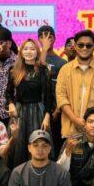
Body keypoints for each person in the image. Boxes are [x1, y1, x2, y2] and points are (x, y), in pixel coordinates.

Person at [56, 30, 94, 139]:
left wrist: (91, 122)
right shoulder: (65, 69)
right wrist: (75, 119)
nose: (84, 48)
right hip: (71, 129)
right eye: (81, 45)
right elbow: (61, 97)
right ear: (75, 46)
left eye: (88, 45)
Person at [6, 38, 54, 167]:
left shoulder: (43, 70)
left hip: (38, 111)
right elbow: (8, 92)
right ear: (21, 52)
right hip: (19, 112)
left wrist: (47, 116)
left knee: (37, 143)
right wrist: (10, 104)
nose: (29, 51)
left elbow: (48, 96)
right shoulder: (13, 69)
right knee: (18, 145)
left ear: (37, 52)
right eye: (26, 49)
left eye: (32, 49)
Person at [38, 25, 68, 154]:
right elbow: (39, 69)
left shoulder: (62, 62)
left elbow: (64, 89)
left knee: (55, 144)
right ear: (38, 39)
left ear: (54, 39)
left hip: (56, 111)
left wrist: (58, 109)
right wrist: (43, 50)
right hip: (38, 108)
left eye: (49, 37)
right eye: (42, 37)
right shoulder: (33, 58)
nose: (46, 40)